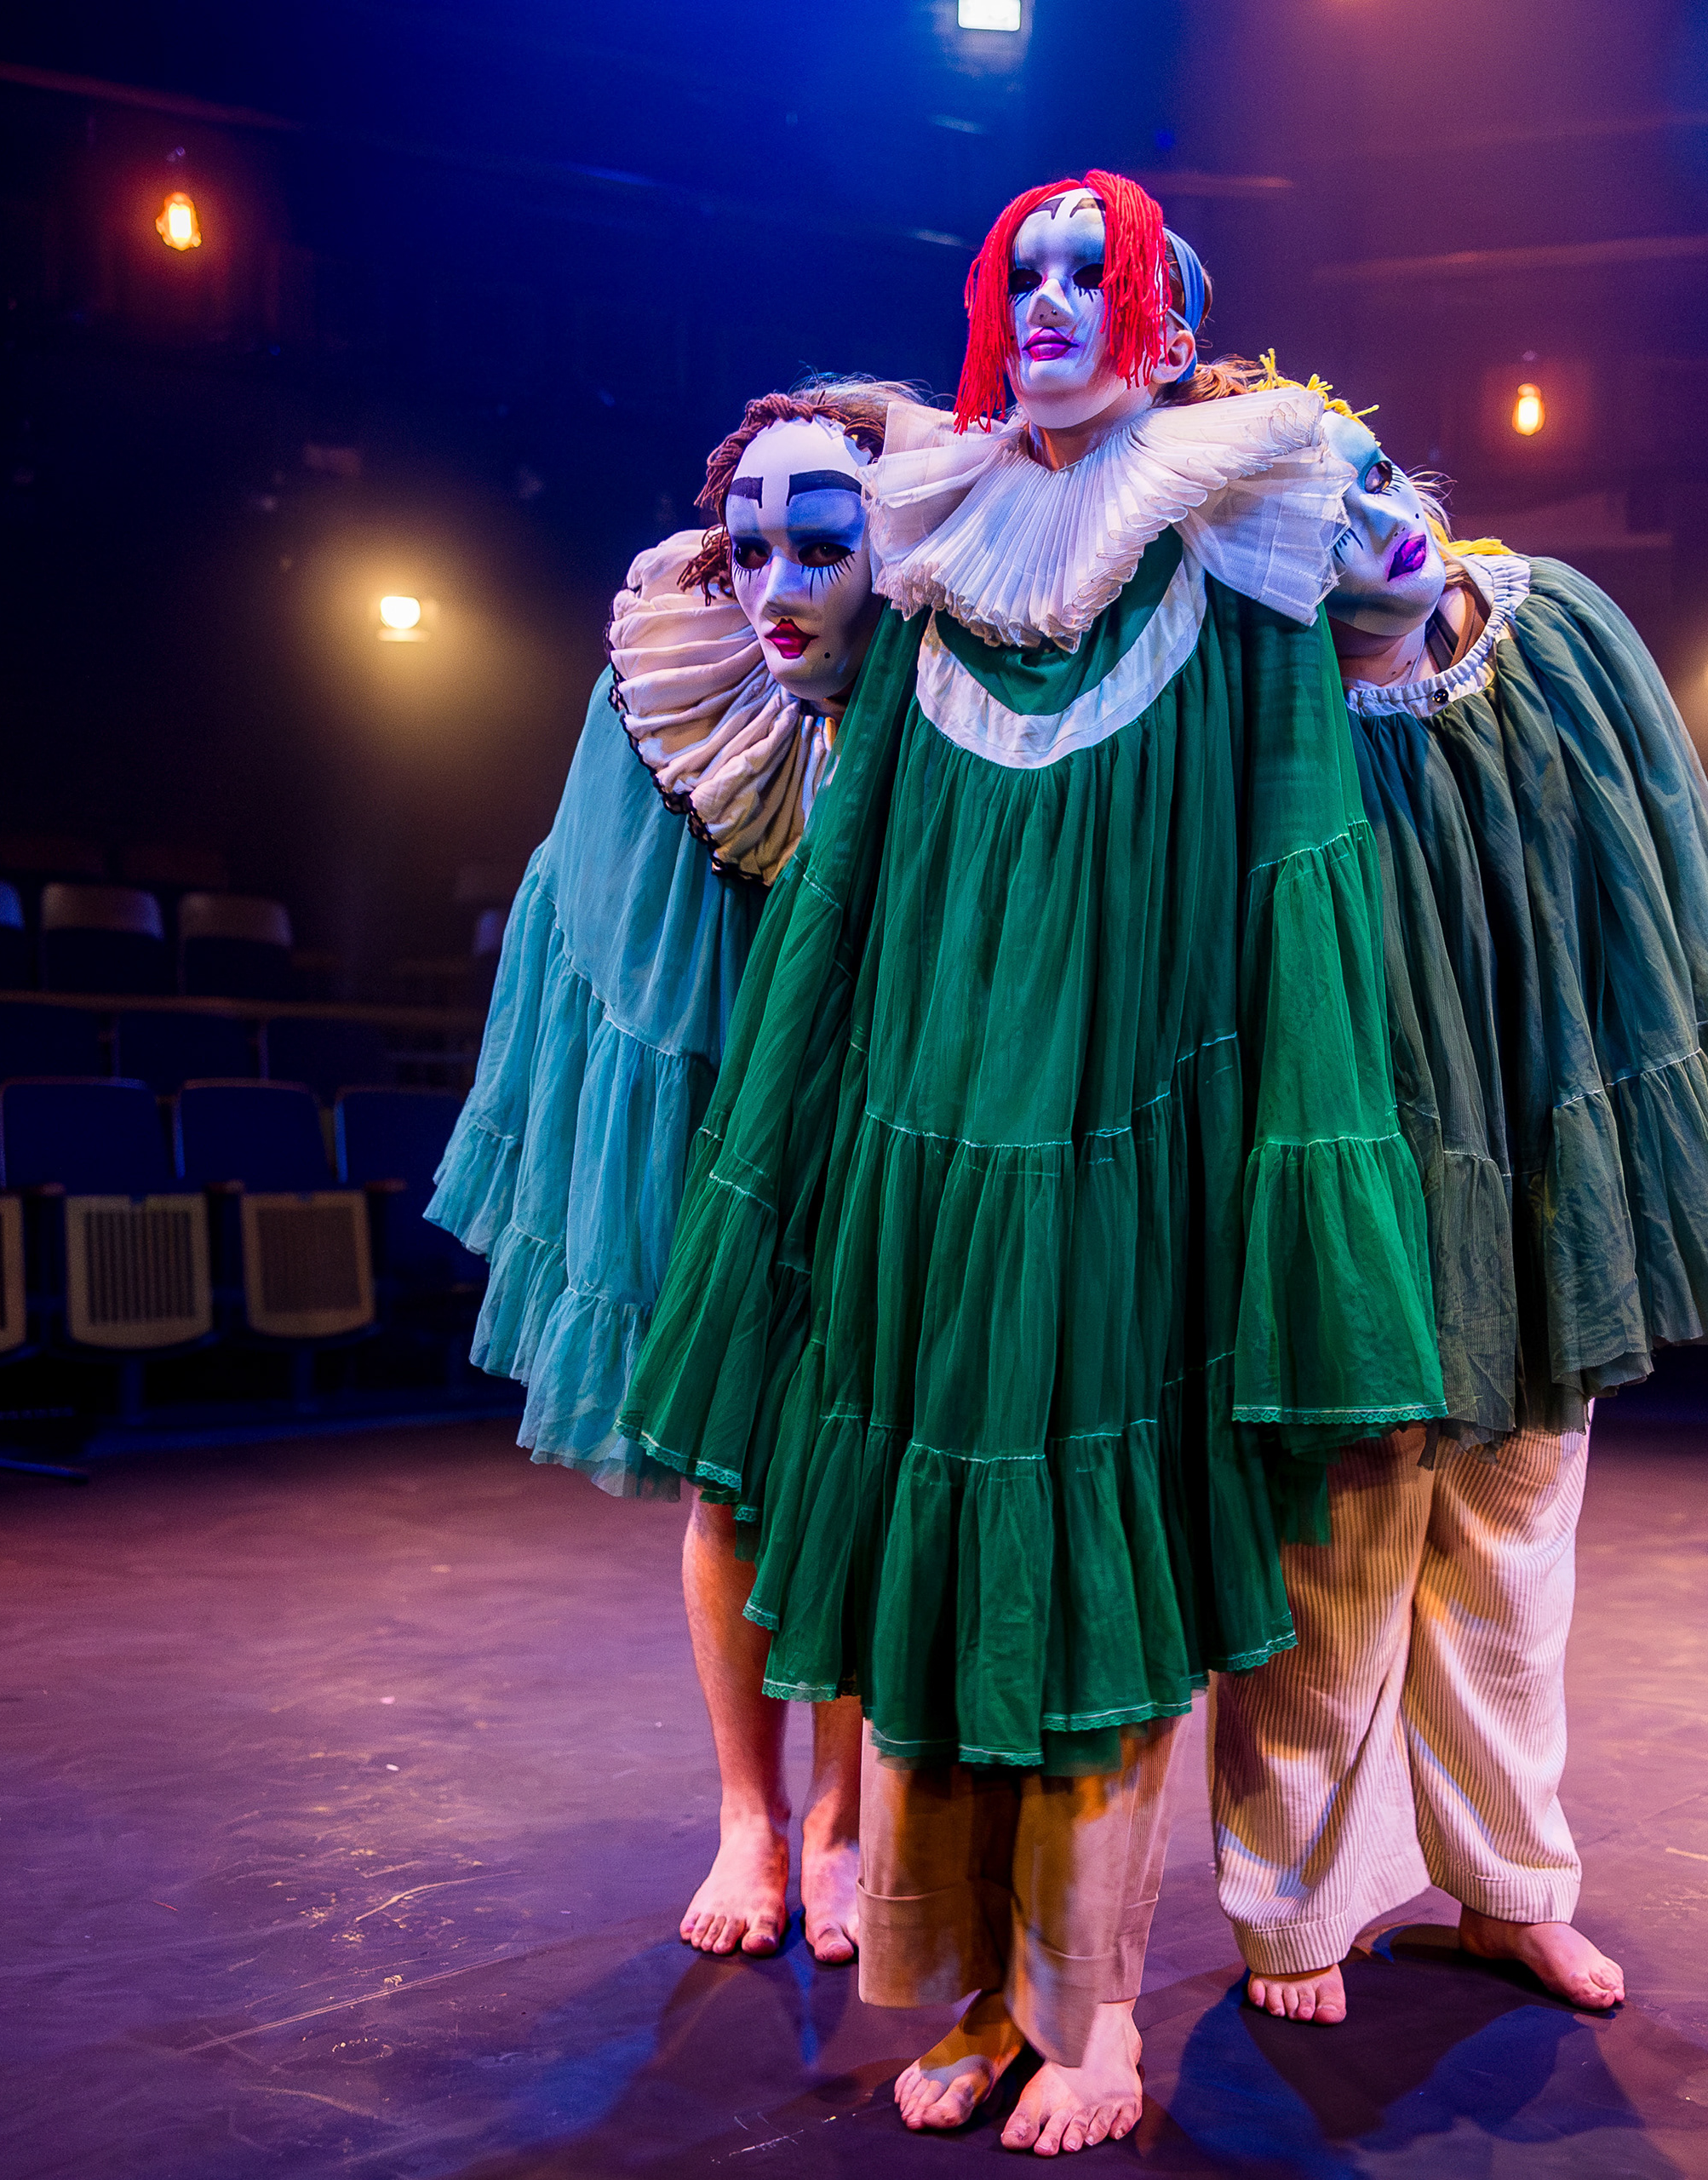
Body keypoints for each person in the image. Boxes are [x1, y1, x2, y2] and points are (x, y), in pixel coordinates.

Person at [617, 174, 1442, 2155]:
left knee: (1096, 1580)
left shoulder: (1231, 525)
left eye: (1095, 272)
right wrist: (814, 1132)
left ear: (1153, 308)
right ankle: (975, 1989)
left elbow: (1297, 854)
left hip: (1126, 1130)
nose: (1057, 299)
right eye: (1026, 274)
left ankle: (1096, 2013)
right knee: (934, 1567)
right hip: (931, 1136)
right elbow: (855, 874)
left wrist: (1276, 1143)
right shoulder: (929, 540)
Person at [1207, 395, 1708, 2023]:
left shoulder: (1560, 634)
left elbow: (1652, 880)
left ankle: (1510, 1886)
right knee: (1336, 1529)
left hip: (1534, 1149)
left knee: (1518, 1519)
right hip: (1358, 1162)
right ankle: (1298, 1905)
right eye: (1319, 528)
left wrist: (1616, 1138)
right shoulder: (1268, 722)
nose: (1377, 521)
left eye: (1377, 480)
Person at [427, 376, 914, 1965]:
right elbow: (631, 951)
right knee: (726, 1465)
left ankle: (840, 1819)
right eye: (751, 544)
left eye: (820, 548)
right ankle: (747, 1815)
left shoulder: (939, 678)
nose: (777, 585)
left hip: (886, 1093)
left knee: (853, 1456)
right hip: (734, 1101)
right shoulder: (679, 667)